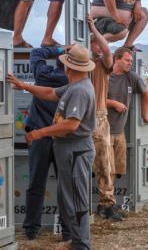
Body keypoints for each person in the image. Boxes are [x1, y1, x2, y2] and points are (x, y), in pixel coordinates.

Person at [7, 44, 96, 250]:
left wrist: (39, 132)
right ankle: (75, 240)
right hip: (69, 148)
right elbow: (49, 92)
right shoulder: (75, 85)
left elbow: (71, 124)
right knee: (69, 196)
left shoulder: (80, 90)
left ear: (70, 67)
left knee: (76, 198)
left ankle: (81, 244)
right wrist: (24, 86)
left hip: (76, 148)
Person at [22, 46, 68, 241]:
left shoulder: (42, 74)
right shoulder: (71, 82)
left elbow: (36, 53)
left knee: (35, 184)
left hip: (38, 137)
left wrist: (60, 48)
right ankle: (67, 231)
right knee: (65, 186)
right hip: (63, 139)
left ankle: (31, 230)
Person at [87, 16, 122, 221]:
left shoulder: (102, 64)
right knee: (95, 163)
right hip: (86, 118)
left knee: (106, 162)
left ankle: (107, 203)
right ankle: (102, 204)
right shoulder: (80, 63)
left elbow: (108, 52)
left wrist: (93, 28)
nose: (100, 46)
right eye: (95, 42)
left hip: (100, 117)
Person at [106, 47, 148, 206]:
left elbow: (146, 94)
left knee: (116, 169)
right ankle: (107, 205)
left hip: (119, 132)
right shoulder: (105, 76)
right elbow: (93, 99)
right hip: (103, 132)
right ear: (116, 59)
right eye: (127, 60)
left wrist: (145, 115)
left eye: (131, 61)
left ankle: (110, 202)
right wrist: (113, 103)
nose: (130, 63)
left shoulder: (132, 77)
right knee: (107, 170)